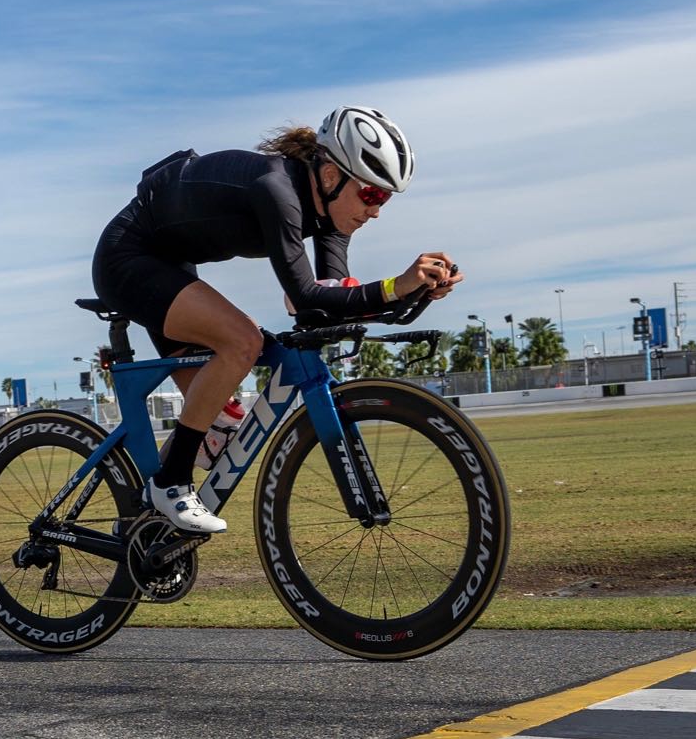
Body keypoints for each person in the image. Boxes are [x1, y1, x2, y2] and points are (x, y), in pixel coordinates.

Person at [90, 105, 462, 534]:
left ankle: (144, 528)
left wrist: (414, 290)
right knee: (243, 341)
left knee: (223, 419)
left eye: (386, 198)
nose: (376, 210)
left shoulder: (331, 216)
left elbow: (317, 306)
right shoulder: (276, 189)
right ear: (329, 175)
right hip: (128, 258)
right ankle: (169, 484)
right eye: (372, 194)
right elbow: (306, 294)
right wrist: (396, 285)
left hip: (171, 266)